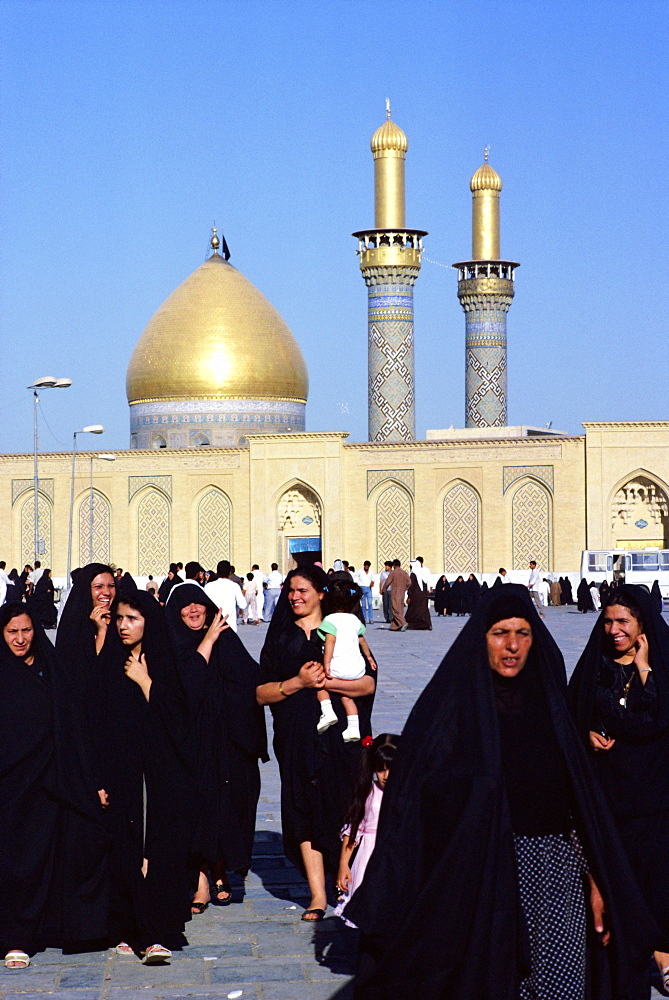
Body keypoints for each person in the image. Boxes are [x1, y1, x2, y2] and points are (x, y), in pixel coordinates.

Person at [346, 585, 658, 1000]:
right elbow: (416, 818)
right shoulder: (449, 718)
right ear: (481, 637)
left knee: (560, 986)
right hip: (474, 883)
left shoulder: (552, 715)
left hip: (552, 874)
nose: (512, 646)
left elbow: (575, 809)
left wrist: (595, 880)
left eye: (523, 633)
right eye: (499, 633)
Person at [256, 566, 376, 921]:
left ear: (321, 594)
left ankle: (346, 880)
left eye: (303, 590)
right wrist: (298, 681)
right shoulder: (280, 639)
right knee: (304, 810)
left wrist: (328, 684)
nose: (295, 597)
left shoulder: (342, 630)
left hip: (343, 739)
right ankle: (318, 895)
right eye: (290, 591)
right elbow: (262, 692)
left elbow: (368, 683)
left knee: (346, 805)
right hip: (297, 740)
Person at [569, 585, 669, 995]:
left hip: (655, 797)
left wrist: (644, 667)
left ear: (641, 624)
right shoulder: (596, 666)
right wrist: (585, 732)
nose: (613, 630)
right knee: (613, 884)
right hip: (607, 799)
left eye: (622, 622)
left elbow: (657, 720)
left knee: (657, 882)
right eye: (607, 621)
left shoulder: (661, 664)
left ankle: (662, 956)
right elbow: (569, 714)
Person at [0, 603, 109, 969]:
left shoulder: (51, 668)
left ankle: (54, 928)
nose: (20, 639)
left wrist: (90, 780)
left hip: (54, 783)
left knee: (57, 854)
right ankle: (15, 937)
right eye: (12, 632)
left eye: (26, 631)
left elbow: (75, 725)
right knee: (14, 861)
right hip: (11, 787)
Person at [99, 592, 195, 962]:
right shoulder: (113, 659)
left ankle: (157, 931)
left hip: (162, 772)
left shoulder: (165, 661)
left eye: (132, 619)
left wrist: (145, 682)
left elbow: (179, 716)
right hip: (124, 771)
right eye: (120, 618)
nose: (123, 626)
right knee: (127, 847)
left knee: (158, 848)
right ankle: (131, 927)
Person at [165, 583, 268, 911]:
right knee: (195, 807)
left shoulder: (226, 639)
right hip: (186, 744)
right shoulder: (168, 644)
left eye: (199, 605)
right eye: (186, 606)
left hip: (226, 741)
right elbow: (178, 688)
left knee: (225, 805)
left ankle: (221, 869)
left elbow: (249, 680)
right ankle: (201, 880)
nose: (194, 611)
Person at [334, 733, 400, 928]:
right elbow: (353, 831)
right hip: (368, 857)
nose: (386, 776)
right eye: (380, 770)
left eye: (391, 769)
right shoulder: (368, 793)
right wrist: (343, 865)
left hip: (395, 855)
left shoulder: (406, 794)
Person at [315, 578, 377, 741]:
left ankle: (327, 712)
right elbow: (362, 640)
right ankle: (354, 728)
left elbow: (330, 641)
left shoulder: (329, 620)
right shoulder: (354, 620)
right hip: (357, 669)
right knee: (347, 696)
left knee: (321, 687)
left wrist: (326, 664)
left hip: (338, 667)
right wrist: (369, 658)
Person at [203, 560, 246, 633]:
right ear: (230, 572)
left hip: (213, 626)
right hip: (230, 626)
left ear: (217, 572)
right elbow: (243, 605)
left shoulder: (208, 586)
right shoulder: (234, 586)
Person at [380, 559, 410, 632]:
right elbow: (409, 583)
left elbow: (387, 582)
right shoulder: (404, 573)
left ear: (394, 565)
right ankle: (395, 626)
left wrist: (383, 589)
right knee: (400, 609)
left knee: (395, 610)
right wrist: (404, 589)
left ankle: (403, 622)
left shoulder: (393, 573)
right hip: (402, 594)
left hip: (395, 593)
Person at [405, 560, 432, 630]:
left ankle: (410, 624)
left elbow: (411, 586)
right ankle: (426, 624)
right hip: (423, 596)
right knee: (423, 611)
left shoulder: (413, 574)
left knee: (413, 611)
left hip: (415, 596)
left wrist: (409, 596)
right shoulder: (423, 574)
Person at [355, 561, 374, 626]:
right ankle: (364, 619)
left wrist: (372, 582)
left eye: (367, 566)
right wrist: (358, 584)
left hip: (368, 588)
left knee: (370, 604)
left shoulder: (371, 572)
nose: (366, 567)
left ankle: (371, 619)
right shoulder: (360, 571)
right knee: (363, 605)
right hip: (362, 587)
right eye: (365, 566)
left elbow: (373, 579)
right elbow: (355, 577)